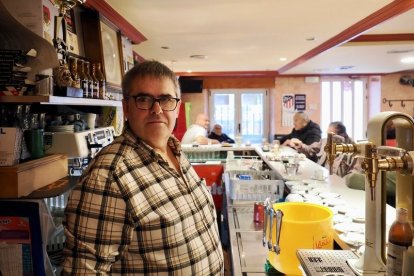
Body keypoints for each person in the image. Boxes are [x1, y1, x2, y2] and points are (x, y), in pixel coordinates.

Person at [62, 61, 224, 274]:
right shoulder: (108, 177)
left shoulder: (174, 150)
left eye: (165, 99)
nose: (157, 110)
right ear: (126, 107)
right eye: (144, 99)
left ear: (176, 106)